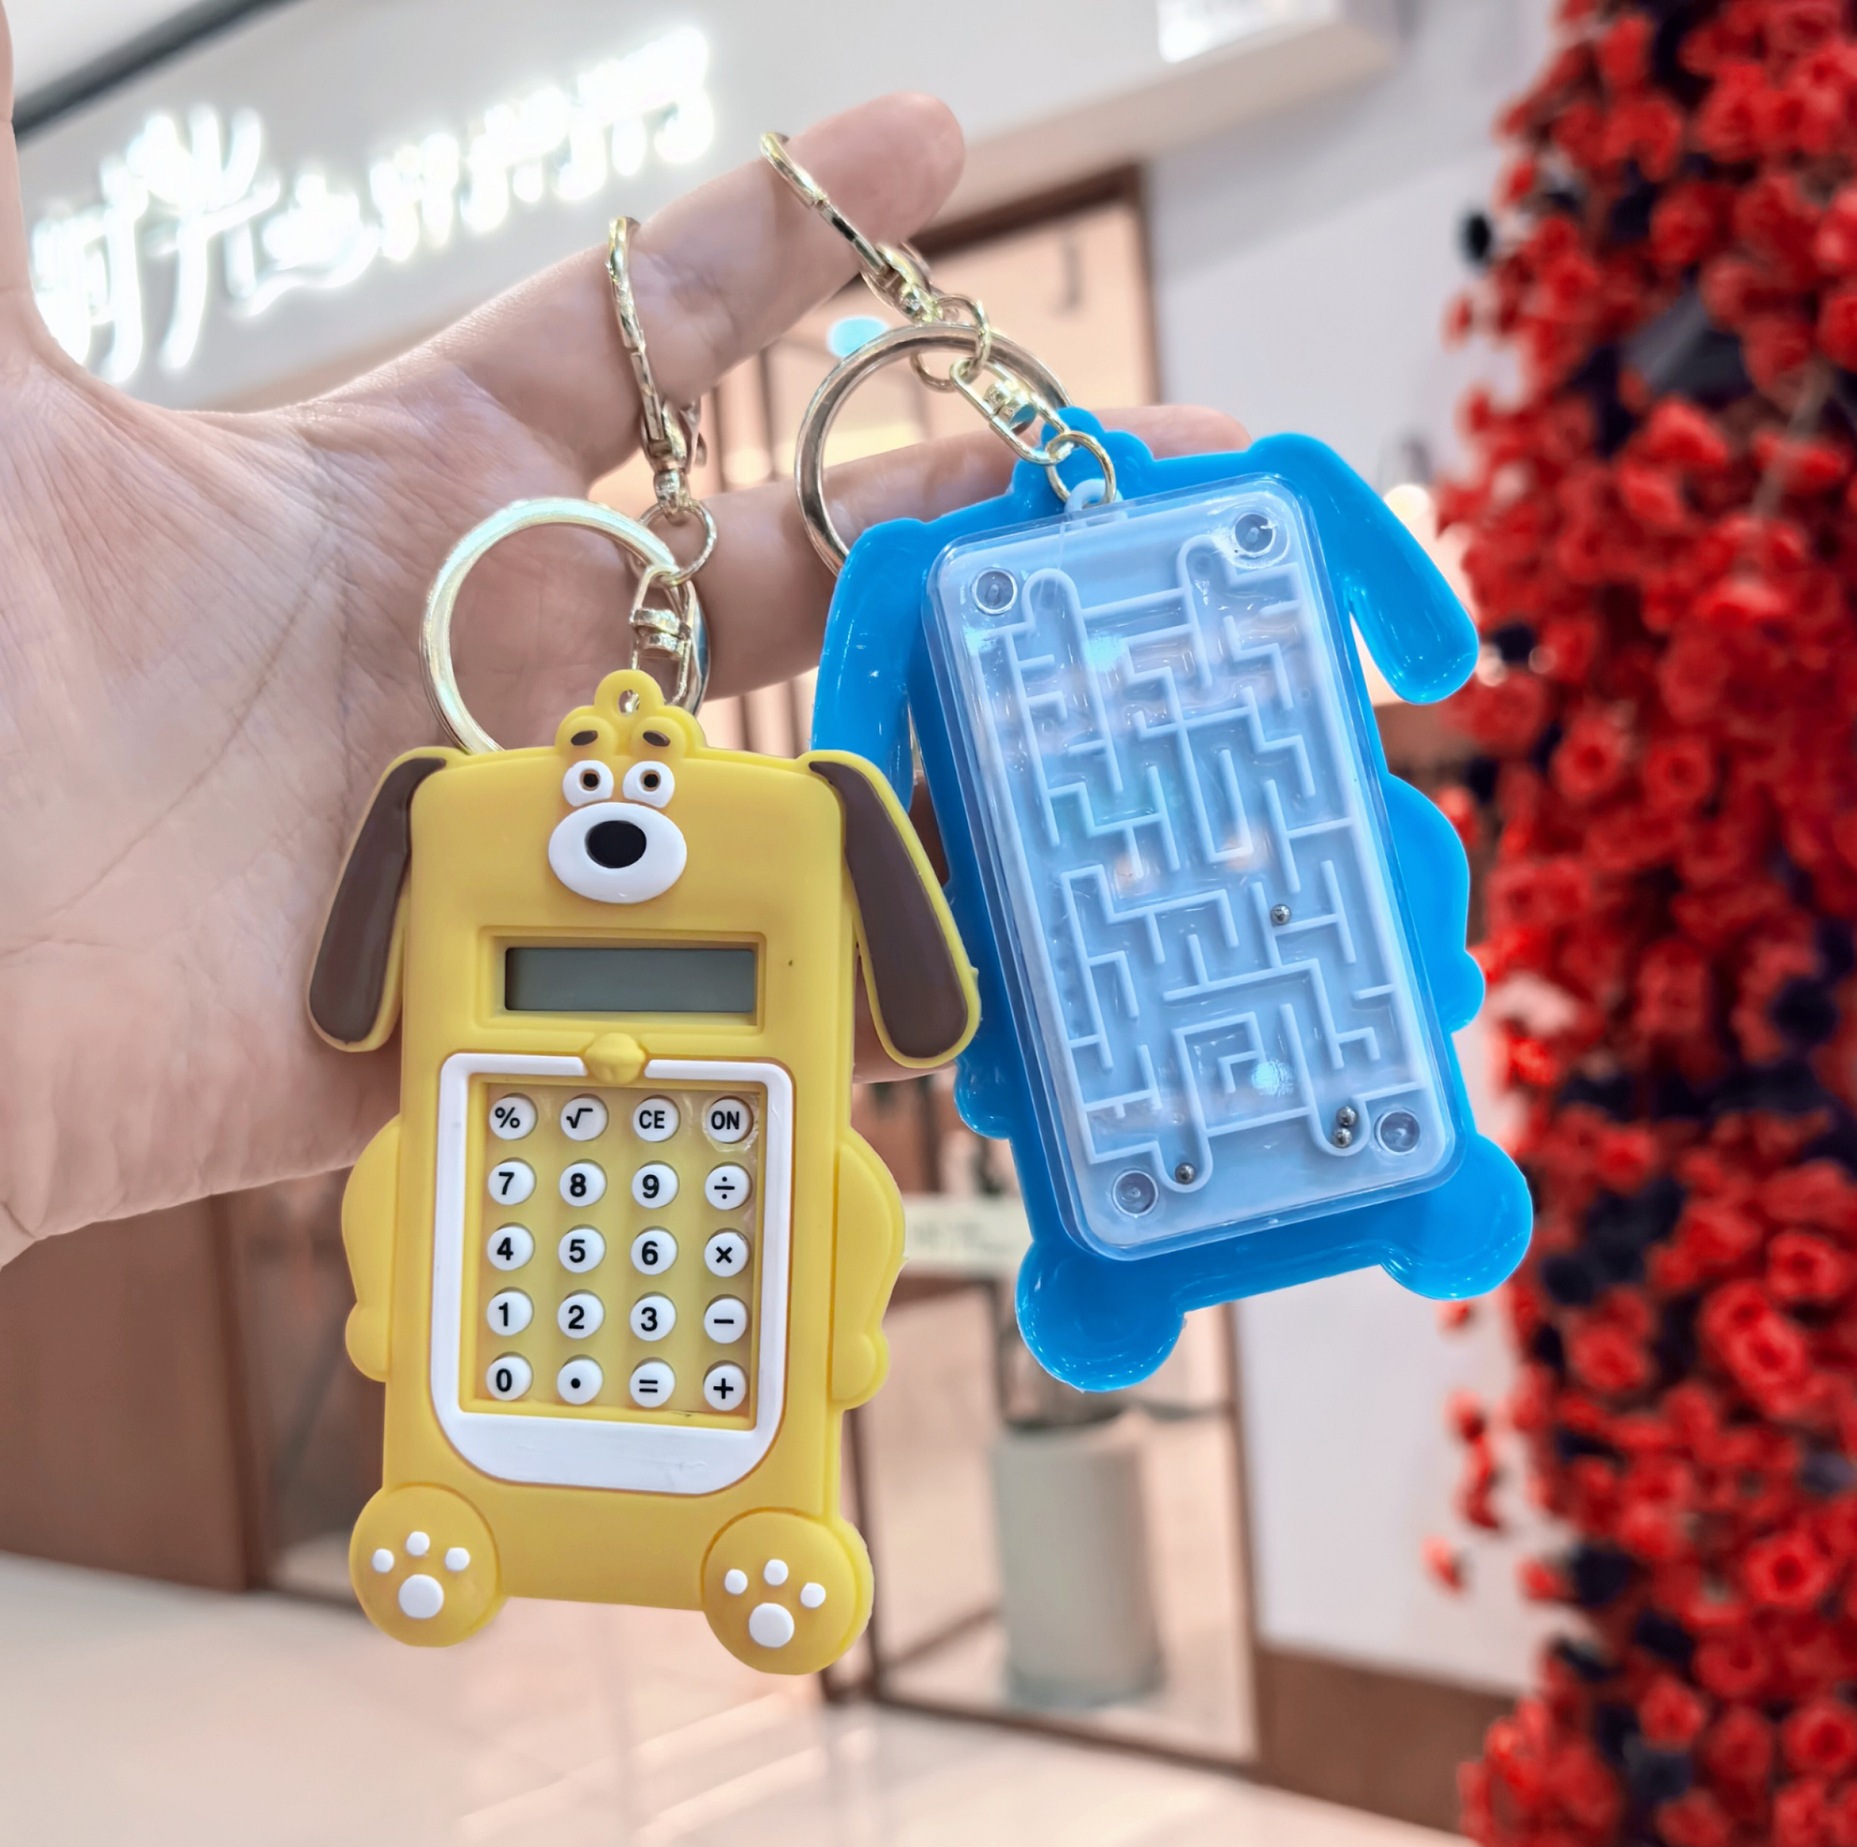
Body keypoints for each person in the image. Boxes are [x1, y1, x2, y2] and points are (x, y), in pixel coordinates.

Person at [0, 15, 1244, 1267]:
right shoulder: (471, 819)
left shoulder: (617, 827)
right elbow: (919, 1016)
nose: (611, 1058)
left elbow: (925, 1019)